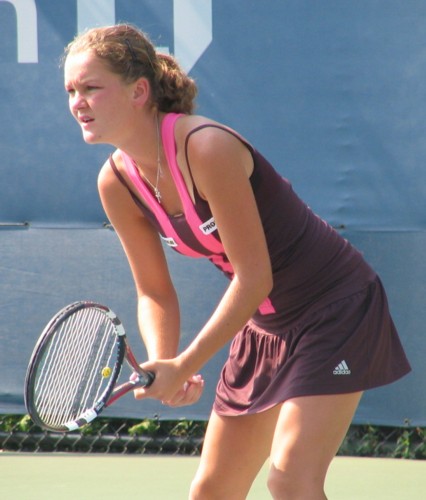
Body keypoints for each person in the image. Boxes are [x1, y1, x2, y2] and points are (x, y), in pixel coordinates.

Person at [63, 23, 411, 500]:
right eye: (71, 91)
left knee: (291, 481)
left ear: (139, 91)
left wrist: (186, 364)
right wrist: (165, 360)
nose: (77, 102)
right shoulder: (116, 184)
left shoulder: (207, 148)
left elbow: (254, 278)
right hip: (265, 327)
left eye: (91, 88)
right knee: (212, 490)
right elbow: (154, 291)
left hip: (335, 308)